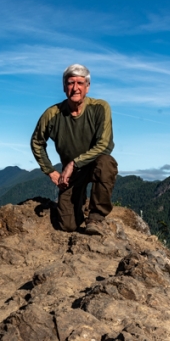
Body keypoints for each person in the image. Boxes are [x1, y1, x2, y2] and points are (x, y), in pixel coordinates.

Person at [30, 64, 118, 235]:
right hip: (71, 176)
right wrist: (50, 171)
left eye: (80, 83)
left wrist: (73, 163)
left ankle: (96, 217)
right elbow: (37, 142)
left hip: (94, 166)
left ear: (87, 87)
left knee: (107, 163)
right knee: (68, 225)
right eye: (71, 83)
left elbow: (104, 145)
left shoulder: (100, 108)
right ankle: (79, 202)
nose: (75, 88)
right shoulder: (52, 114)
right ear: (64, 87)